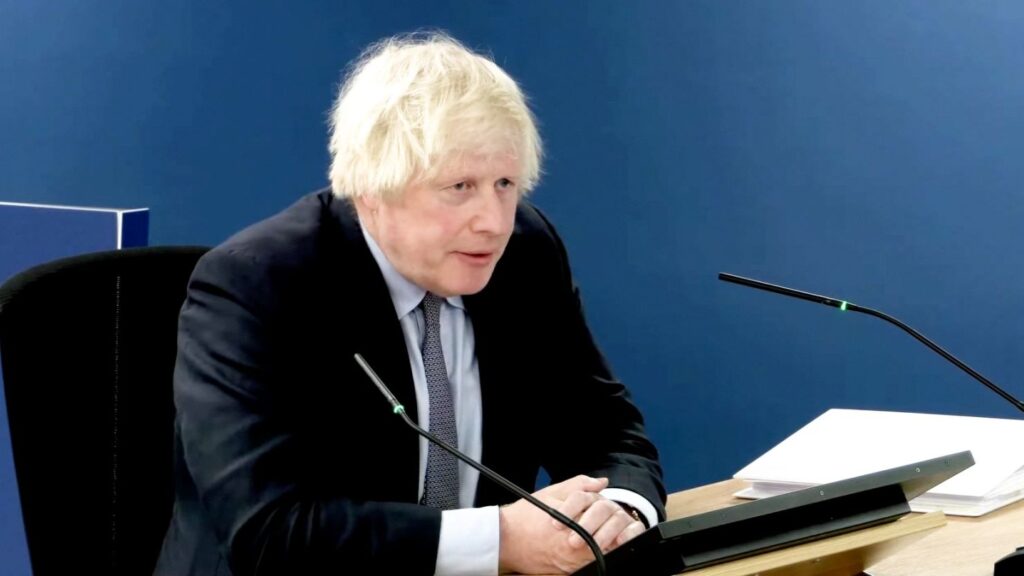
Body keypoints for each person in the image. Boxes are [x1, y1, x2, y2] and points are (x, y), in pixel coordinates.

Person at [155, 32, 665, 576]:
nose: (494, 222)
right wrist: (501, 540)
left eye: (505, 183)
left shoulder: (525, 252)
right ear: (373, 190)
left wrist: (619, 511)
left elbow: (607, 433)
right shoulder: (257, 286)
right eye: (460, 187)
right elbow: (271, 533)